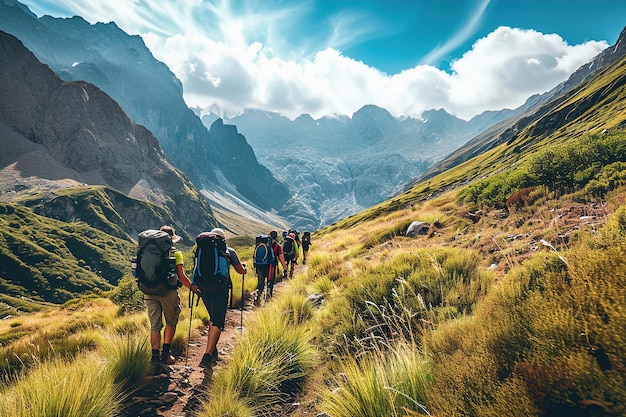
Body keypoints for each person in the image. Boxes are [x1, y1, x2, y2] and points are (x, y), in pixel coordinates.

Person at [195, 228, 247, 370]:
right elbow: (240, 270)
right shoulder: (228, 251)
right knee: (217, 321)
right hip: (220, 289)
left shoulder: (201, 249)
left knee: (212, 317)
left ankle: (213, 351)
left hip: (204, 288)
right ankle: (206, 356)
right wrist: (245, 269)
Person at [145, 225, 196, 365]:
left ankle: (154, 357)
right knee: (171, 321)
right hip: (168, 292)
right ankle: (166, 355)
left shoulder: (148, 251)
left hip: (149, 291)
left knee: (155, 326)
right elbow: (181, 276)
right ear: (172, 239)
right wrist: (193, 288)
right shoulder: (176, 254)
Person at [255, 230, 287, 305]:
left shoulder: (261, 244)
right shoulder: (277, 246)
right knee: (270, 282)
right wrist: (285, 268)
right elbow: (281, 258)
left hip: (260, 265)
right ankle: (268, 299)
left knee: (260, 282)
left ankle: (258, 296)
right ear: (276, 237)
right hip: (271, 266)